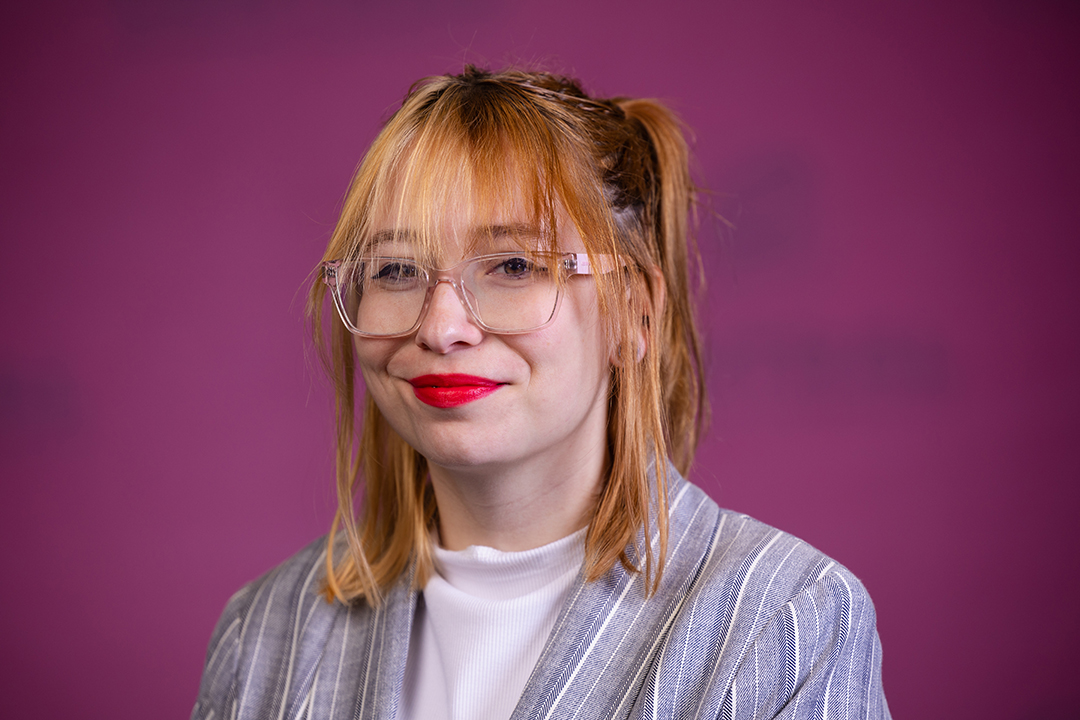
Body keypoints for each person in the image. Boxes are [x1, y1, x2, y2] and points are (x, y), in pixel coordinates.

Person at [192, 66, 890, 720]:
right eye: (396, 270)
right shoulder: (263, 633)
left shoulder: (785, 623)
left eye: (514, 265)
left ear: (634, 312)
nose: (440, 328)